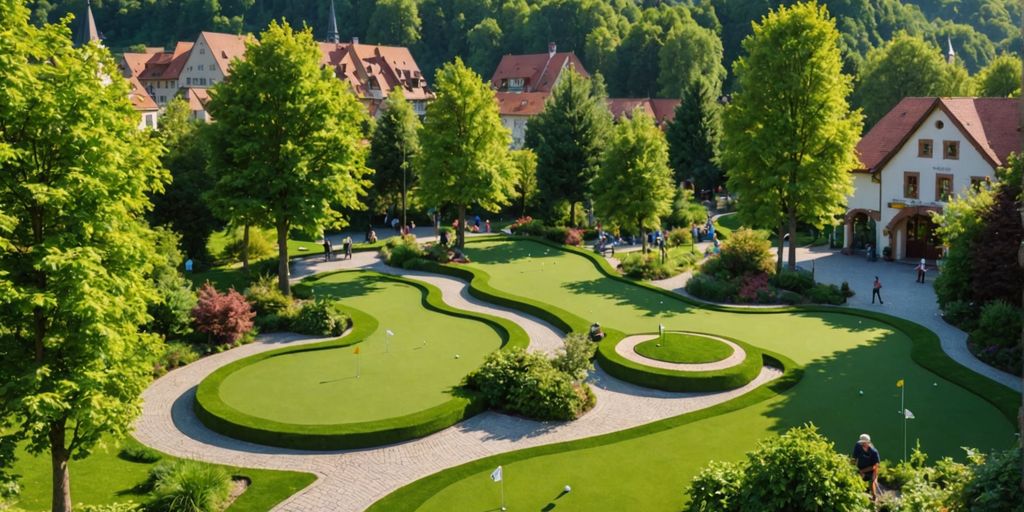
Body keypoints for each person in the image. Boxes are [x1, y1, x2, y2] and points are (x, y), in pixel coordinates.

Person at [851, 434, 881, 500]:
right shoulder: (858, 446)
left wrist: (873, 476)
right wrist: (851, 468)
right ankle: (857, 495)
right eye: (861, 442)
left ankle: (874, 497)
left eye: (864, 442)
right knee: (857, 479)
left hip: (872, 470)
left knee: (872, 483)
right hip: (860, 468)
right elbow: (854, 458)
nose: (862, 444)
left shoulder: (874, 452)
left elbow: (875, 466)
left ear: (868, 442)